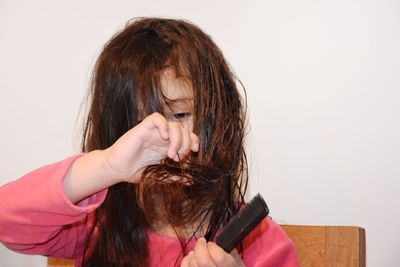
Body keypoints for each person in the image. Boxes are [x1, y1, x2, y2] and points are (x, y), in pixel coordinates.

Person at [0, 18, 299, 267]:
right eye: (137, 127)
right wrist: (107, 165)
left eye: (179, 113)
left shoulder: (261, 243)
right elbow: (7, 220)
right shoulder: (96, 225)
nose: (160, 136)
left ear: (221, 118)